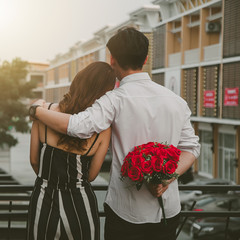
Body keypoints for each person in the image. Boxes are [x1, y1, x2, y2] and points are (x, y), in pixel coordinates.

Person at [29, 27, 201, 240]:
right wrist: (167, 177)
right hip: (167, 211)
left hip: (124, 212)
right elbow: (192, 147)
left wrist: (36, 111)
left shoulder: (114, 100)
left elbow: (76, 126)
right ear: (145, 59)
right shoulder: (176, 101)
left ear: (112, 60)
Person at [26, 62, 116, 240]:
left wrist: (48, 180)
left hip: (44, 198)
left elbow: (34, 160)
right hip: (80, 202)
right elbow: (91, 175)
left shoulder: (43, 113)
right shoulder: (103, 129)